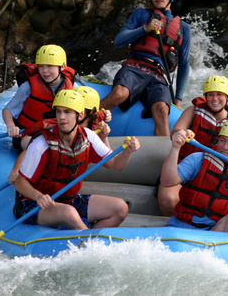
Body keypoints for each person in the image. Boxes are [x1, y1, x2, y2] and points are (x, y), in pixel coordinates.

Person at [13, 89, 140, 230]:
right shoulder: (41, 144)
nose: (62, 117)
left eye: (67, 112)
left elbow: (116, 164)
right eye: (59, 112)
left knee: (120, 208)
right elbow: (20, 182)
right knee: (69, 213)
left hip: (68, 200)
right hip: (33, 205)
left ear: (79, 115)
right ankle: (90, 244)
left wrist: (128, 152)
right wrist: (38, 196)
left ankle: (85, 240)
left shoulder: (89, 136)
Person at [99, 0, 191, 137]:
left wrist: (178, 100)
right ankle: (83, 122)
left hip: (159, 74)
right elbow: (118, 41)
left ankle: (159, 159)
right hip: (135, 65)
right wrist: (145, 29)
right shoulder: (141, 14)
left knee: (162, 110)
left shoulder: (183, 28)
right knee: (120, 93)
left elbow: (184, 64)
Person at [157, 75, 228, 215]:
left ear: (227, 97)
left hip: (213, 177)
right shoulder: (193, 111)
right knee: (168, 200)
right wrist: (183, 133)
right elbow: (176, 131)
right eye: (210, 95)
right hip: (185, 168)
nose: (215, 99)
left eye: (219, 94)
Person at [7, 85, 112, 183]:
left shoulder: (96, 119)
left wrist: (104, 136)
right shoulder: (59, 126)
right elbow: (30, 149)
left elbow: (108, 162)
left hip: (70, 157)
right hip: (29, 139)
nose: (76, 109)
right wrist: (15, 171)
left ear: (90, 113)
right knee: (30, 142)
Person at [2, 44, 76, 150]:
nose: (44, 70)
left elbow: (82, 114)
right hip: (27, 134)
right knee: (37, 146)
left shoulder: (72, 88)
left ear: (62, 67)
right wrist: (11, 126)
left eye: (50, 66)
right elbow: (7, 110)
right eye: (41, 66)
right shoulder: (28, 87)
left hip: (54, 132)